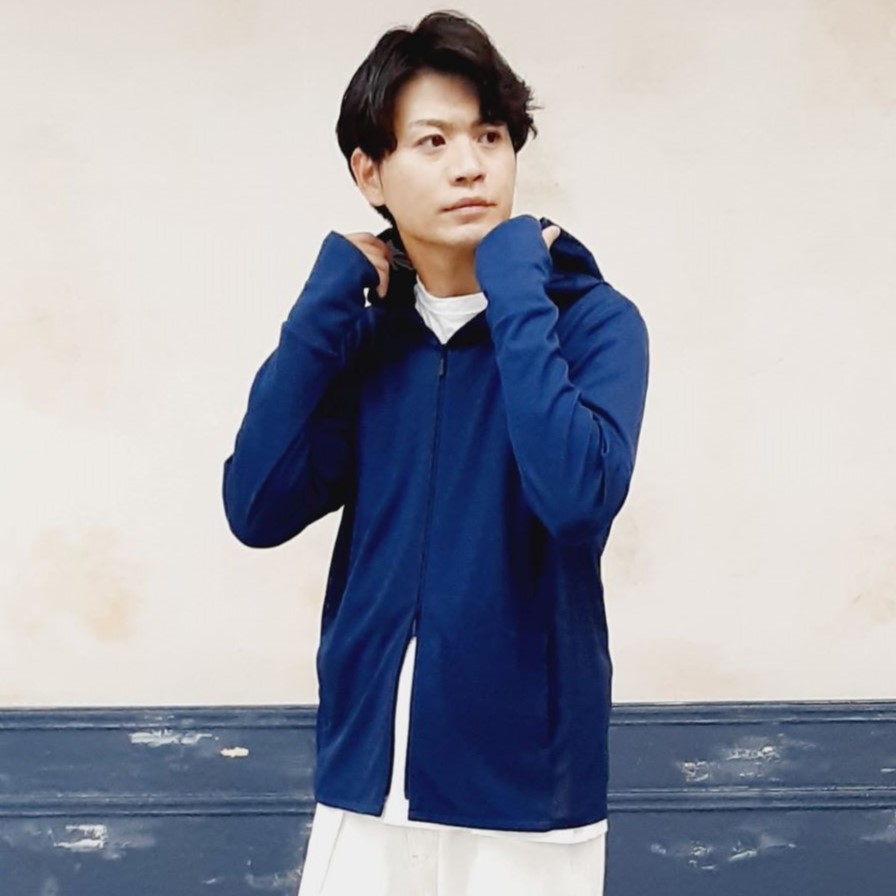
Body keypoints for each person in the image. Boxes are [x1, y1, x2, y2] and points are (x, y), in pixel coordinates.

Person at [222, 9, 649, 895]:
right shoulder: (366, 341)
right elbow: (255, 508)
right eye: (433, 140)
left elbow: (575, 502)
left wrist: (517, 288)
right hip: (365, 784)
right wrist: (322, 308)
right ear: (369, 172)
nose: (470, 165)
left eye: (490, 136)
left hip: (528, 800)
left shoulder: (594, 325)